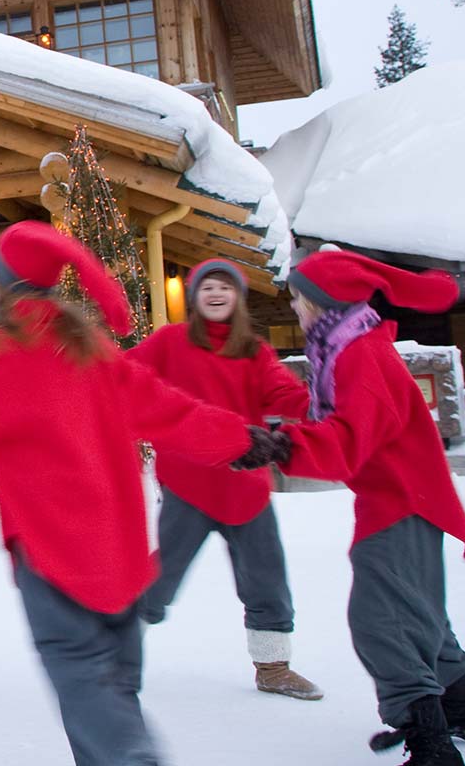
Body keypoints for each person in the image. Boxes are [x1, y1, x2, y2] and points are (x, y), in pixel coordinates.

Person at [0, 222, 282, 766]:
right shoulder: (92, 349)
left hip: (54, 556)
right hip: (121, 556)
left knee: (92, 692)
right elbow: (171, 410)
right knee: (115, 691)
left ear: (3, 287)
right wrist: (238, 437)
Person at [275, 249, 465, 766]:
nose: (295, 312)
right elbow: (339, 421)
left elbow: (350, 438)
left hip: (401, 499)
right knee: (418, 611)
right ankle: (462, 711)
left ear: (325, 302)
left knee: (381, 620)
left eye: (300, 301)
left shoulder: (359, 356)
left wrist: (285, 447)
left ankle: (430, 743)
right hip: (404, 495)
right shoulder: (347, 346)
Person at [132, 260, 322, 700]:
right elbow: (125, 376)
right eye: (208, 288)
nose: (216, 294)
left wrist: (323, 399)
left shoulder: (254, 350)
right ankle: (117, 654)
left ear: (237, 297)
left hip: (246, 486)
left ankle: (273, 668)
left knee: (266, 578)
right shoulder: (169, 343)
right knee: (161, 578)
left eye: (225, 288)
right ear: (195, 297)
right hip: (187, 484)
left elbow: (283, 394)